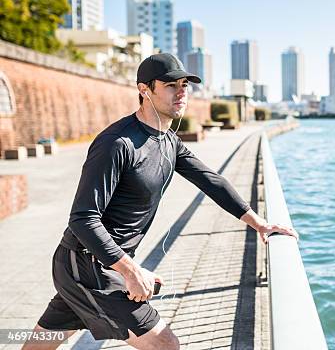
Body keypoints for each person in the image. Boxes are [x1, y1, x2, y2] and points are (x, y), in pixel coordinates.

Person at [22, 53, 298, 350]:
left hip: (97, 264)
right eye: (170, 85)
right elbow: (83, 218)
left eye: (184, 85)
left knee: (40, 345)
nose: (181, 91)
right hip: (88, 266)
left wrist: (259, 223)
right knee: (165, 344)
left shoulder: (169, 141)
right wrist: (130, 270)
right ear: (144, 90)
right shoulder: (117, 143)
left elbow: (211, 181)